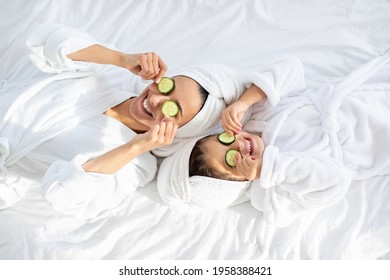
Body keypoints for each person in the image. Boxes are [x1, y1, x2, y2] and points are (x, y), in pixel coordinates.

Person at [0, 23, 246, 217]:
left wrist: (136, 146)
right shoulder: (112, 75)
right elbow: (43, 41)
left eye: (173, 110)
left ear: (177, 132)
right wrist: (120, 59)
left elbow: (61, 195)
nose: (158, 99)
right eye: (168, 86)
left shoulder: (135, 165)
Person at [157, 54, 390, 226]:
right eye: (232, 161)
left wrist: (245, 101)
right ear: (236, 183)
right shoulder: (271, 192)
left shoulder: (257, 116)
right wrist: (269, 168)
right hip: (372, 142)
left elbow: (292, 67)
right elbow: (336, 182)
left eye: (225, 139)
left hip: (363, 97)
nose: (239, 145)